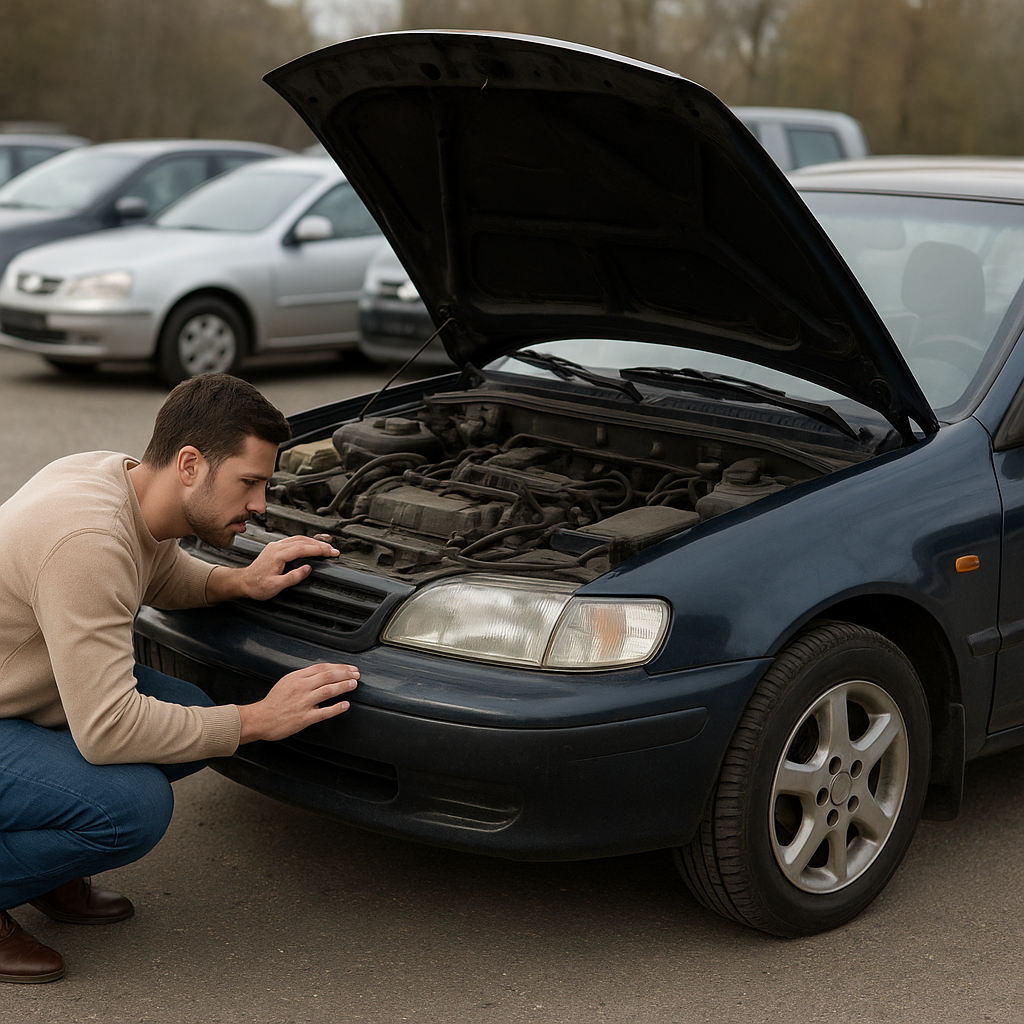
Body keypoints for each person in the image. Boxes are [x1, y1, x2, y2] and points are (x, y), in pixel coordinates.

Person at [0, 373, 359, 983]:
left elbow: (156, 570)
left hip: (25, 692)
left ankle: (47, 868)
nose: (260, 505)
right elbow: (108, 733)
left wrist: (238, 580)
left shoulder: (119, 479)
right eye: (249, 482)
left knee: (186, 708)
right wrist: (257, 720)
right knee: (133, 808)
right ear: (190, 463)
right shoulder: (86, 540)